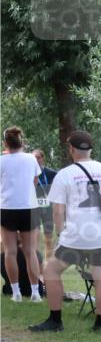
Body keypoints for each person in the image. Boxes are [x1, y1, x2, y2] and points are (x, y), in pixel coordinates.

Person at [29, 131, 101, 332]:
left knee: (51, 271)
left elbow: (58, 210)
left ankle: (55, 320)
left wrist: (61, 233)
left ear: (71, 149)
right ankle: (100, 324)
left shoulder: (65, 174)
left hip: (77, 236)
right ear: (90, 148)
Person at [0, 126, 43, 301]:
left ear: (5, 143)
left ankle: (16, 292)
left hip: (7, 208)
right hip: (28, 207)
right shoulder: (31, 159)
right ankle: (35, 293)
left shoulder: (1, 160)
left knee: (9, 252)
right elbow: (35, 180)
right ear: (21, 141)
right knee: (30, 251)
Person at [33, 148, 59, 259]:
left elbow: (60, 184)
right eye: (33, 158)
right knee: (35, 236)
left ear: (43, 158)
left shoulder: (50, 173)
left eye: (38, 157)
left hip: (47, 208)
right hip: (33, 208)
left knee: (48, 236)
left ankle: (49, 262)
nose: (35, 160)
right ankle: (36, 263)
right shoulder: (28, 173)